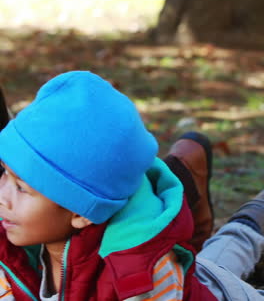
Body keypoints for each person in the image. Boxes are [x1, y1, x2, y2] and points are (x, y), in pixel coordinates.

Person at [0, 71, 263, 300]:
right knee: (217, 259)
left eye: (21, 188)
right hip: (193, 277)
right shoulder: (16, 235)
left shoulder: (140, 278)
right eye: (5, 174)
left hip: (211, 292)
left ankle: (253, 218)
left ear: (80, 212)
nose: (2, 197)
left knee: (227, 260)